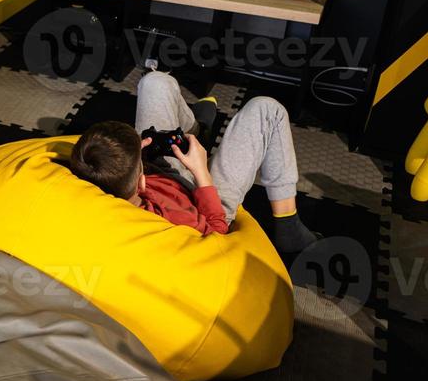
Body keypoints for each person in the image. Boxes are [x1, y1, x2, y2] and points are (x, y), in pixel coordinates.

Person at [67, 71, 318, 251]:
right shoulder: (170, 222)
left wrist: (141, 155)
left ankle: (196, 127)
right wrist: (201, 173)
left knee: (155, 82)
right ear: (141, 182)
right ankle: (288, 224)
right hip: (205, 200)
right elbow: (217, 233)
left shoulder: (100, 189)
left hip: (159, 172)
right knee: (267, 110)